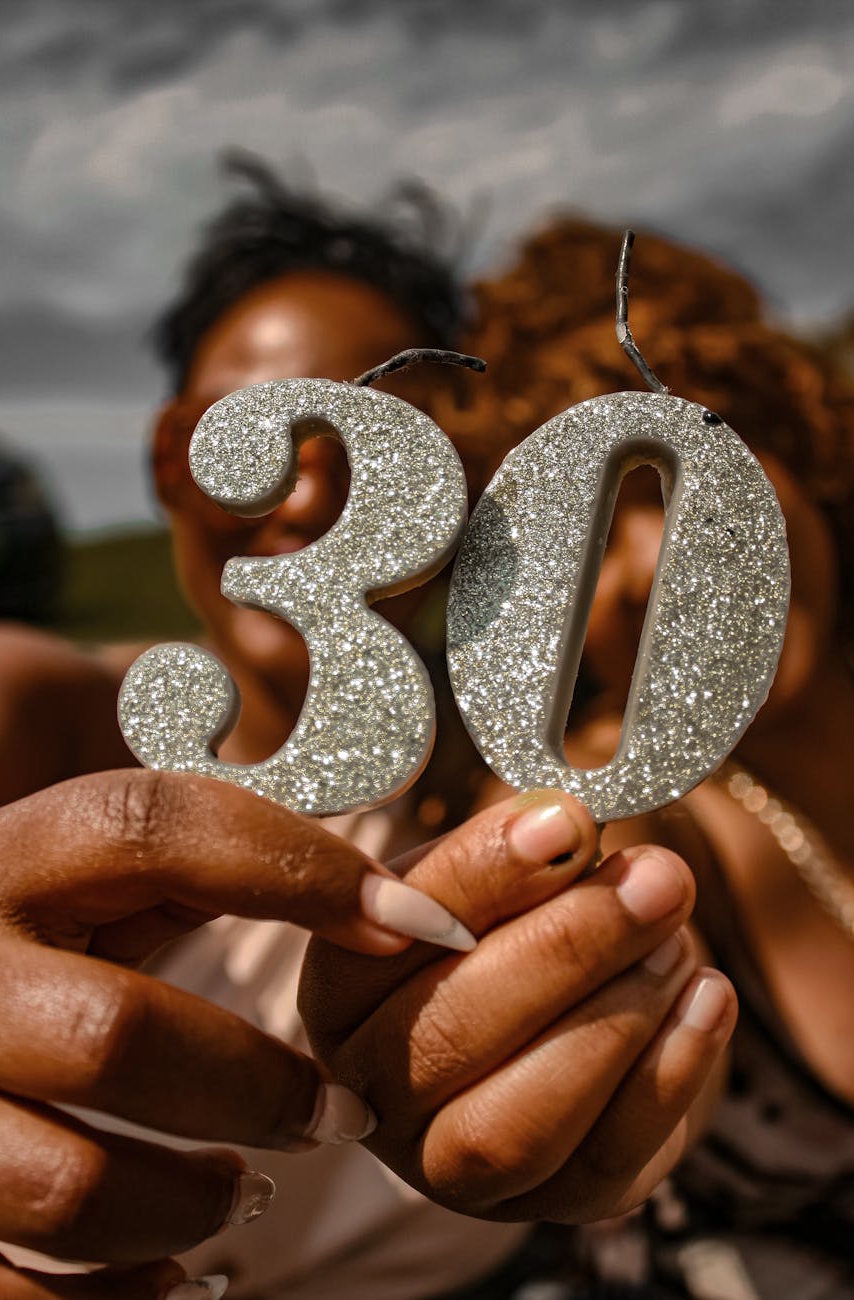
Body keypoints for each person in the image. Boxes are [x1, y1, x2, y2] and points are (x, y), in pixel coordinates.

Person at [0, 162, 737, 1299]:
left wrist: (634, 1097)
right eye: (248, 439)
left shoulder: (550, 790)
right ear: (163, 463)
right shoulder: (39, 714)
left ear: (463, 484)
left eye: (380, 454)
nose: (299, 501)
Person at [360, 215, 851, 1299]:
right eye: (574, 547)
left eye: (666, 472)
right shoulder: (625, 811)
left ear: (793, 439)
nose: (638, 569)